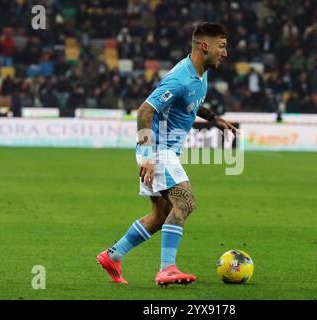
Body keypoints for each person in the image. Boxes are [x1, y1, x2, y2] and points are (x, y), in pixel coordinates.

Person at [96, 22, 237, 286]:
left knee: (160, 215)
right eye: (222, 47)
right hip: (158, 149)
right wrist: (148, 156)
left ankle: (112, 256)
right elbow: (144, 112)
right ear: (205, 46)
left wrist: (214, 118)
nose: (225, 53)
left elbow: (190, 104)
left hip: (161, 150)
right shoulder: (180, 77)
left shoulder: (199, 73)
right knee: (185, 203)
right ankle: (167, 268)